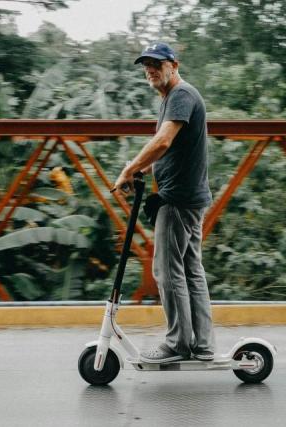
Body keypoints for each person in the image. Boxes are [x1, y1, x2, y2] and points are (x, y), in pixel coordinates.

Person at [112, 42, 215, 363]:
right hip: (189, 196)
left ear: (174, 64)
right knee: (189, 269)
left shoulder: (181, 95)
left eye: (157, 64)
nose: (151, 70)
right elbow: (167, 146)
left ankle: (177, 344)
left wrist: (130, 169)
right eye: (146, 65)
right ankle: (202, 344)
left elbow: (163, 140)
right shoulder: (173, 98)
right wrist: (141, 170)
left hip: (179, 199)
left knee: (167, 272)